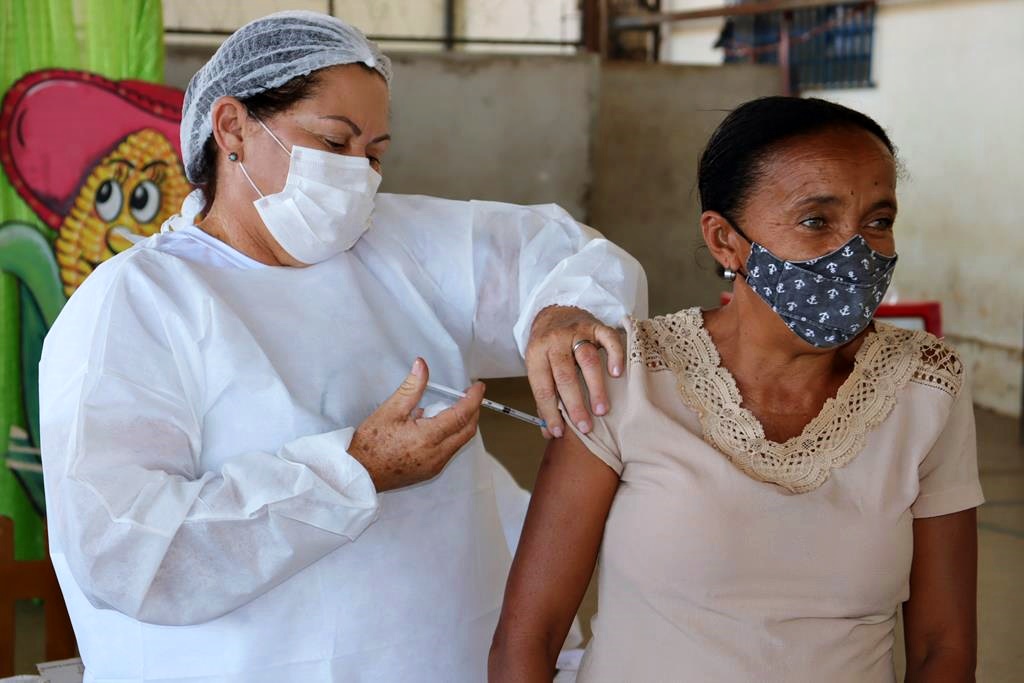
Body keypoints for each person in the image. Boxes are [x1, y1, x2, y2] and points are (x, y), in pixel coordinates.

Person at [39, 11, 646, 683]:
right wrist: (353, 471)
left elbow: (561, 252)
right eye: (335, 142)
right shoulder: (138, 302)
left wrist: (563, 312)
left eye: (376, 153)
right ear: (232, 127)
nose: (359, 175)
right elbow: (124, 548)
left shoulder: (396, 246)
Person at [490, 97, 983, 682]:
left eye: (877, 221)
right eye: (815, 221)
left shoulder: (925, 386)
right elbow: (528, 639)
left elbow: (942, 648)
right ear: (726, 241)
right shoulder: (628, 375)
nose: (855, 253)